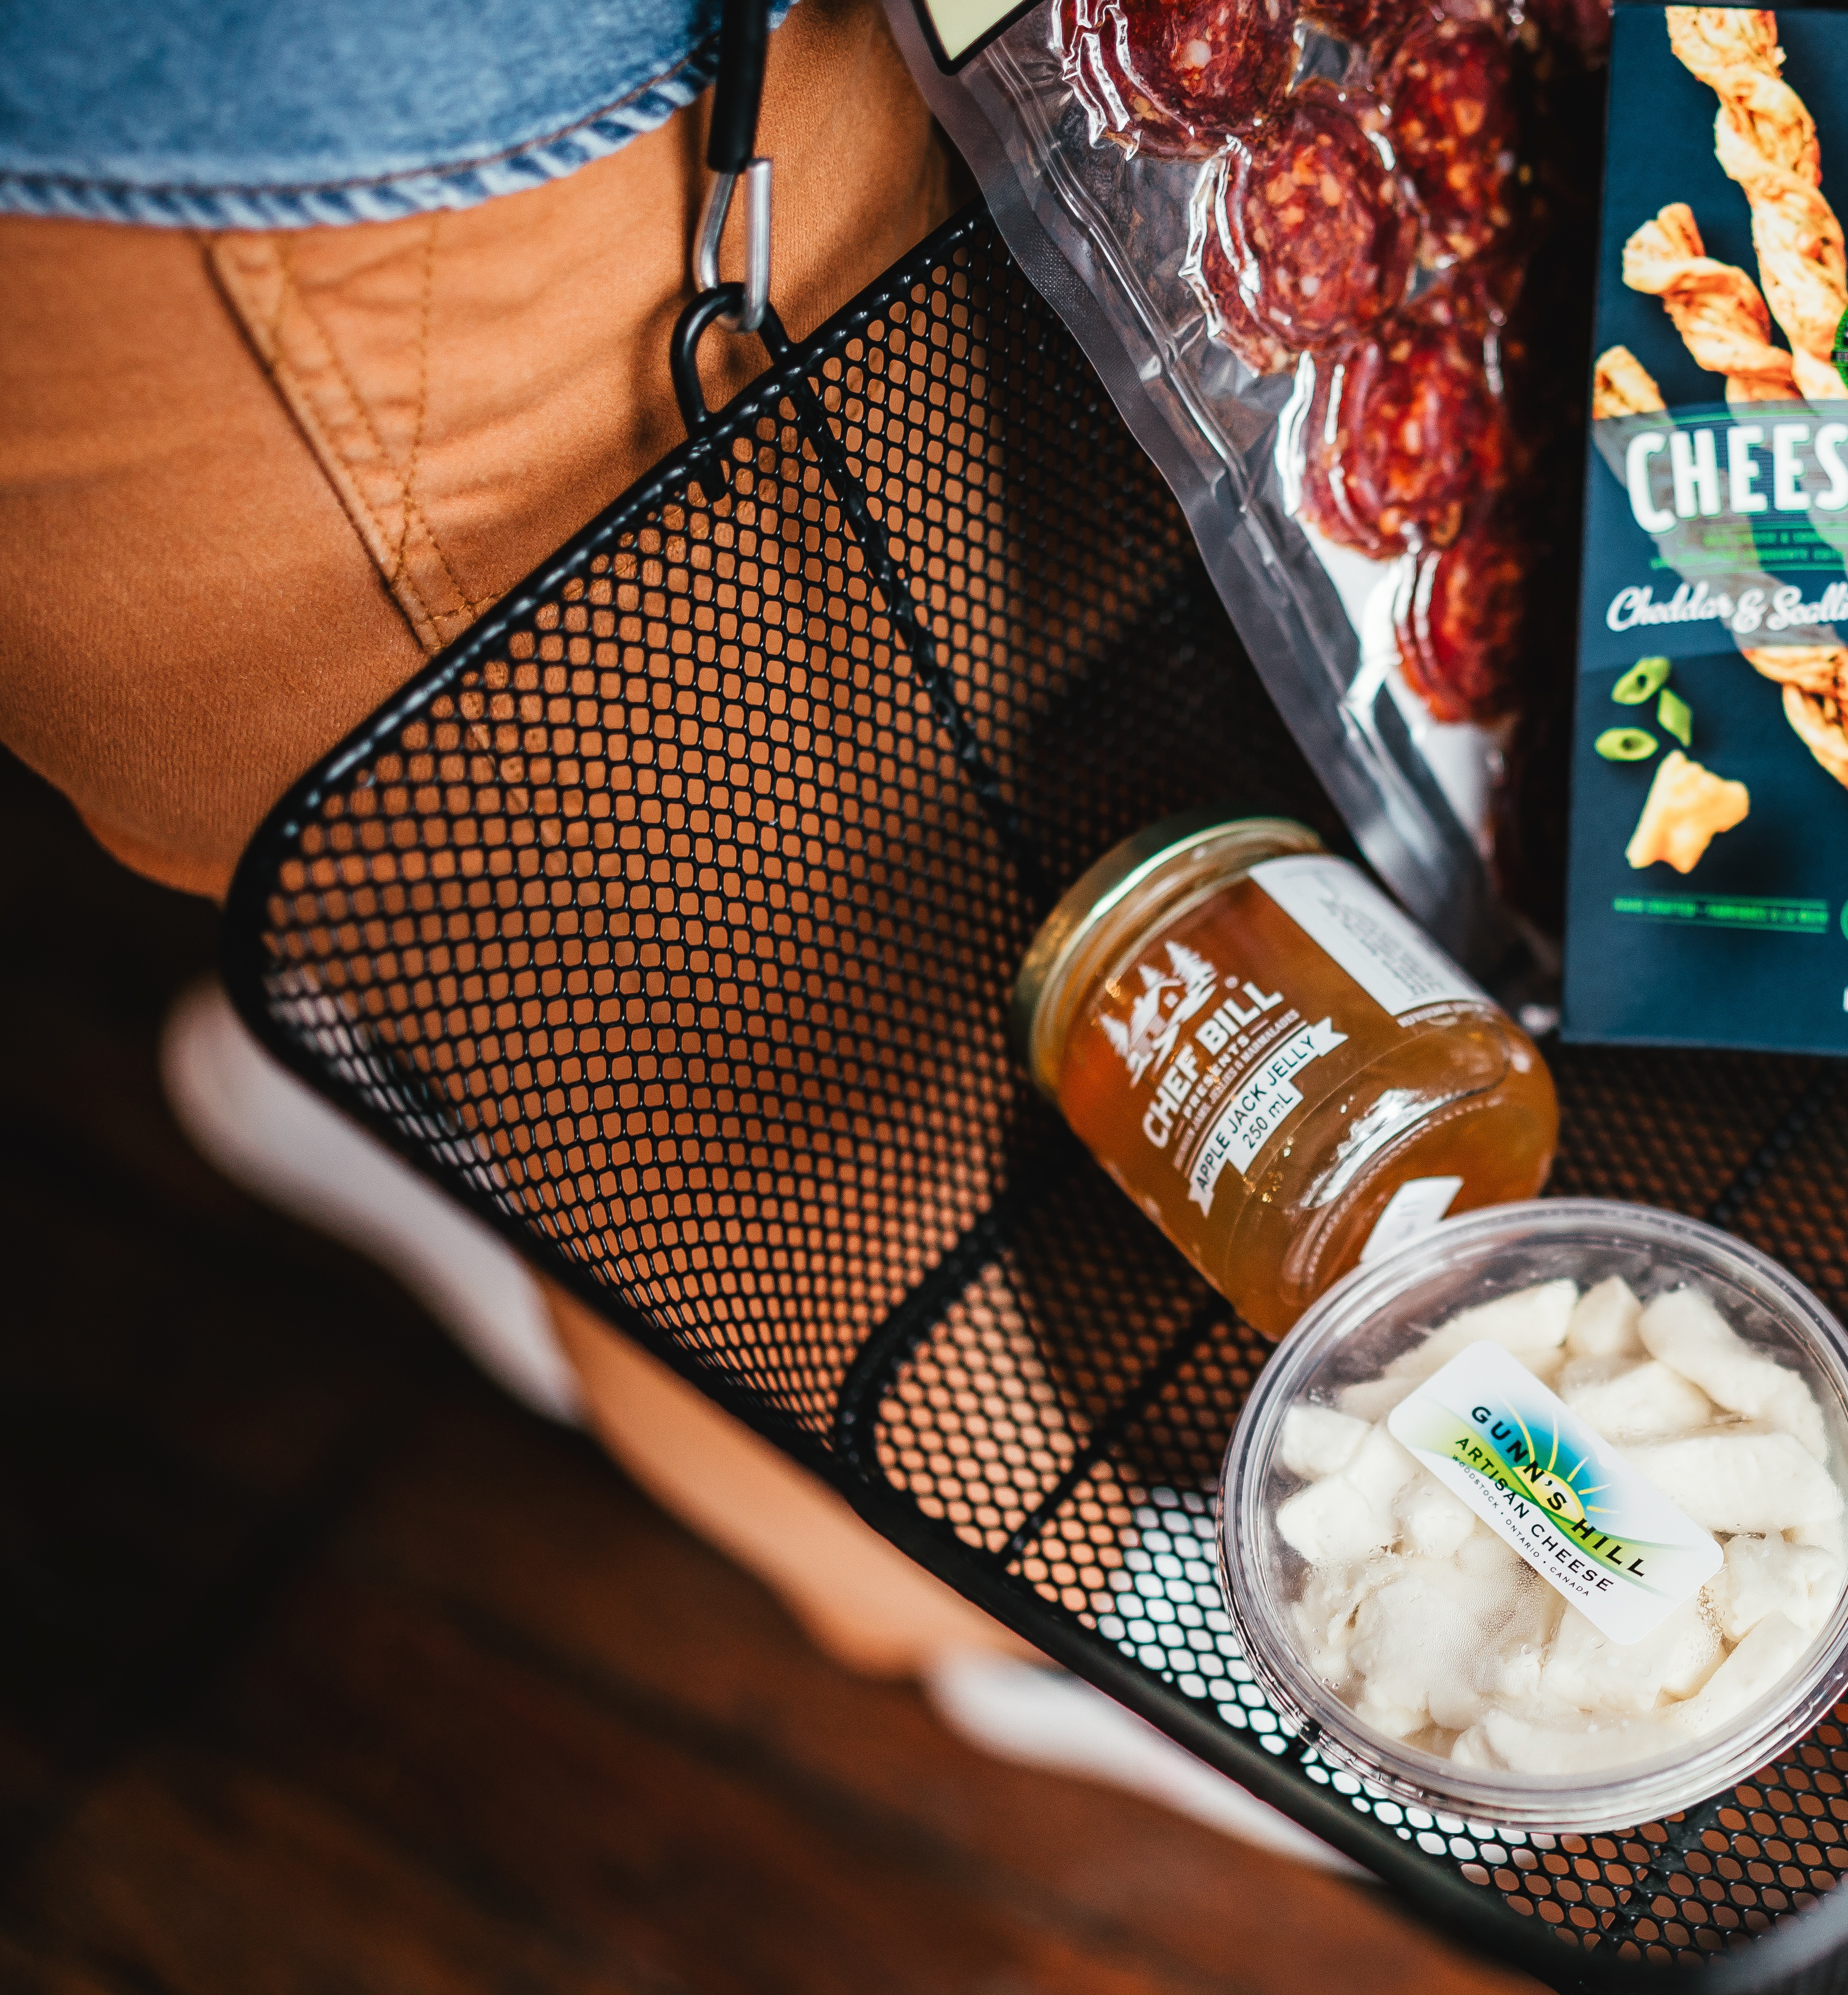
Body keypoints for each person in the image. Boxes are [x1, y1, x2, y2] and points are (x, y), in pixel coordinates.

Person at [0, 0, 1330, 1863]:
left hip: (693, 86)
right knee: (777, 1114)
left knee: (828, 779)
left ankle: (407, 1069)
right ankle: (1058, 1630)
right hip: (368, 181)